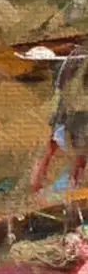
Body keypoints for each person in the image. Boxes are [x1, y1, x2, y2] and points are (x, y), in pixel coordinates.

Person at [30, 42, 88, 192]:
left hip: (65, 107)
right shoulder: (77, 56)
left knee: (50, 148)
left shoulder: (72, 55)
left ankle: (34, 190)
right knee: (80, 153)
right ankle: (72, 189)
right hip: (76, 110)